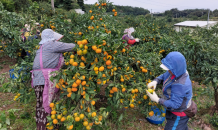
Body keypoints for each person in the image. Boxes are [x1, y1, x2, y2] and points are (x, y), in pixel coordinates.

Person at [30, 29, 75, 130]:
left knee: (41, 106)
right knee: (50, 106)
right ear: (52, 37)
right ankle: (50, 127)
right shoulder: (52, 44)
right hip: (46, 80)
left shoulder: (41, 47)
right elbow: (73, 46)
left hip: (38, 80)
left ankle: (41, 127)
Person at [146, 51, 193, 130]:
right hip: (171, 110)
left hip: (178, 115)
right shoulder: (176, 72)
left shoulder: (181, 84)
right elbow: (164, 75)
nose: (168, 71)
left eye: (169, 69)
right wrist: (156, 81)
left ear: (176, 68)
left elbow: (175, 104)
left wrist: (157, 100)